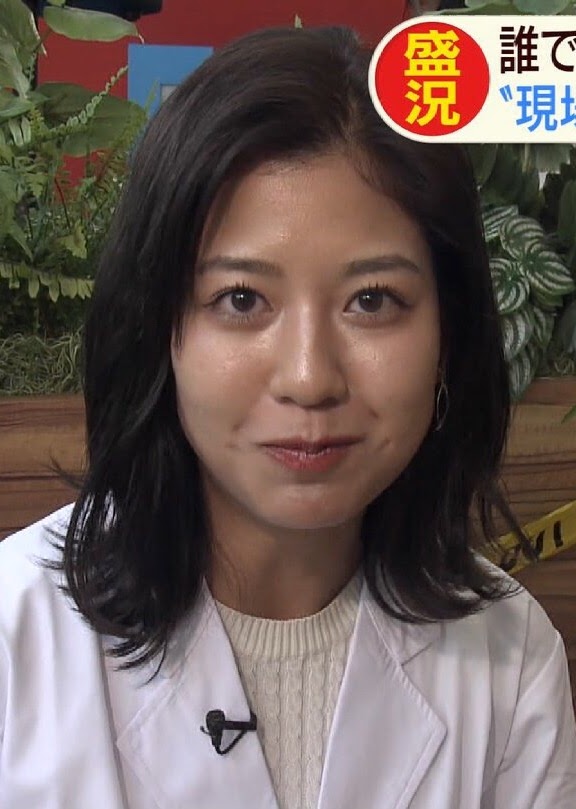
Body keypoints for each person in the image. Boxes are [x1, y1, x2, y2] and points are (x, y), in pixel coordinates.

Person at [0, 24, 575, 809]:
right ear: (158, 327)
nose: (309, 378)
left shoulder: (511, 661)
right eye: (241, 299)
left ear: (449, 334)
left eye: (373, 300)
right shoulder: (16, 637)